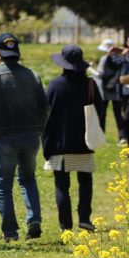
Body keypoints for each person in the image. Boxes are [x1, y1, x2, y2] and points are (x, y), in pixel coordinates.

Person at [0, 33, 49, 242]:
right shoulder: (32, 75)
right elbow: (44, 106)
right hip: (31, 135)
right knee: (28, 179)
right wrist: (39, 129)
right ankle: (34, 220)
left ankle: (10, 231)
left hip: (4, 136)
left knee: (2, 185)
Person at [43, 45, 104, 232]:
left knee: (62, 186)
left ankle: (66, 227)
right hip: (84, 142)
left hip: (59, 144)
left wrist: (46, 145)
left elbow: (46, 116)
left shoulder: (54, 85)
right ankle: (85, 218)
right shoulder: (90, 85)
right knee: (85, 182)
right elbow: (100, 112)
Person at [93, 39, 125, 143]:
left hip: (104, 89)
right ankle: (122, 137)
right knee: (118, 113)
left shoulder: (104, 58)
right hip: (117, 88)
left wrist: (92, 71)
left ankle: (101, 137)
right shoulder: (120, 58)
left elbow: (100, 74)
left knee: (102, 113)